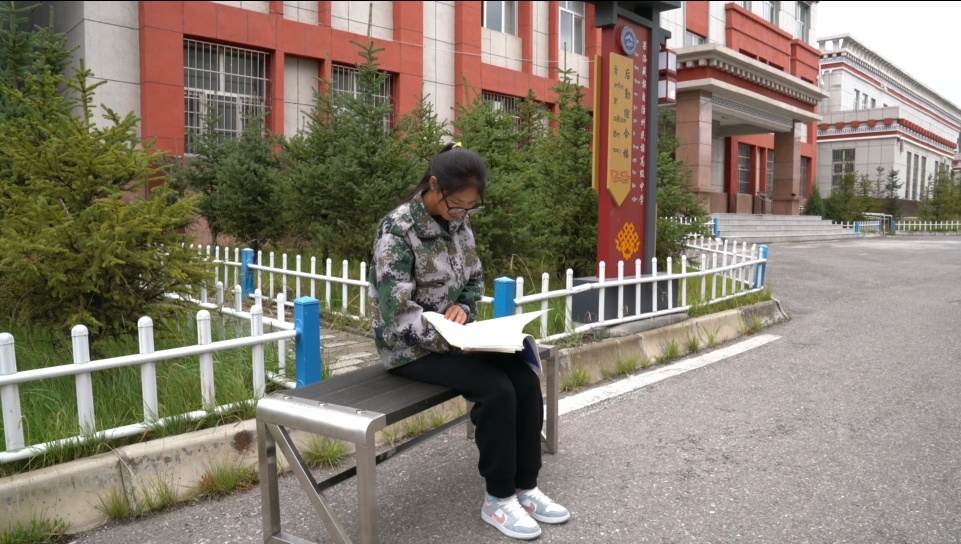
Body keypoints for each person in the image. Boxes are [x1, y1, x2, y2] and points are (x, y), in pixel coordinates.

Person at [368, 142, 570, 540]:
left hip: (458, 339)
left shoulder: (459, 224)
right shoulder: (398, 231)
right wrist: (451, 337)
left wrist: (463, 309)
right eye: (456, 204)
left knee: (524, 377)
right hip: (409, 349)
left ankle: (525, 488)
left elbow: (473, 279)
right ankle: (498, 498)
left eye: (469, 207)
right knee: (496, 390)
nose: (461, 214)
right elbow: (397, 314)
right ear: (434, 185)